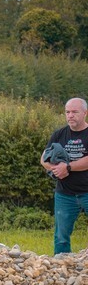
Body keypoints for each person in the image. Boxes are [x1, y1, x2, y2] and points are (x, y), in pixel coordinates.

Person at [40, 97, 88, 254]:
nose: (70, 115)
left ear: (85, 113)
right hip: (65, 194)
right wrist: (55, 169)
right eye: (67, 112)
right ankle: (60, 271)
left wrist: (67, 167)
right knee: (61, 237)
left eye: (74, 112)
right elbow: (43, 159)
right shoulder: (59, 134)